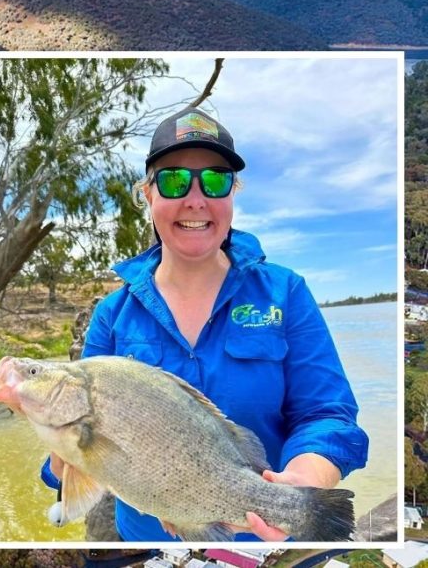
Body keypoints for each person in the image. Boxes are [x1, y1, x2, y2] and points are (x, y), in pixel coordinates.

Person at [41, 107, 368, 541]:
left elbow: (327, 414)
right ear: (148, 195)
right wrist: (60, 437)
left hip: (261, 546)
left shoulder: (285, 294)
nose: (196, 199)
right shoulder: (112, 316)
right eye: (174, 180)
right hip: (148, 547)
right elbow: (73, 471)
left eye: (215, 180)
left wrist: (305, 480)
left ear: (232, 194)